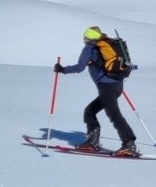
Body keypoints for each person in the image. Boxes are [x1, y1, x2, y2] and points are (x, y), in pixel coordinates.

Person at [55, 26, 139, 157]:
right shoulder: (107, 45)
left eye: (85, 37)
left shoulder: (91, 48)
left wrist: (62, 69)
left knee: (114, 115)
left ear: (88, 37)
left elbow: (79, 68)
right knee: (90, 111)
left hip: (106, 86)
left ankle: (129, 144)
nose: (84, 39)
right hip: (117, 85)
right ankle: (92, 142)